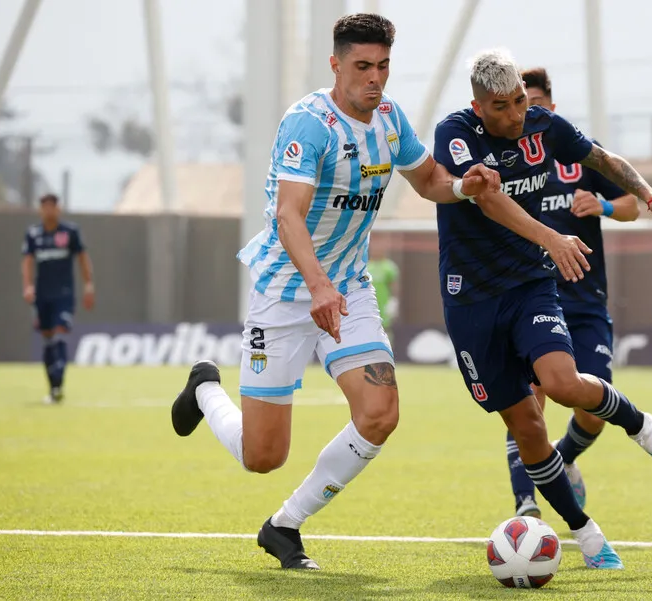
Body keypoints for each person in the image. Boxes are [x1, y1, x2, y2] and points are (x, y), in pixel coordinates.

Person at [169, 14, 523, 571]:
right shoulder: (308, 124)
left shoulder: (389, 119)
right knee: (263, 456)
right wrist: (316, 286)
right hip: (287, 292)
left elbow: (427, 180)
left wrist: (462, 186)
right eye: (362, 66)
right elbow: (289, 214)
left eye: (383, 66)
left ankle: (284, 525)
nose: (374, 78)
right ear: (336, 65)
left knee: (380, 412)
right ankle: (205, 389)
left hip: (348, 291)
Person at [433, 49, 652, 569]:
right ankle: (587, 532)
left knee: (562, 381)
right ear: (478, 105)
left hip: (530, 286)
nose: (515, 115)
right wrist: (553, 237)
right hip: (469, 299)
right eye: (502, 107)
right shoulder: (456, 133)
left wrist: (648, 195)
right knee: (527, 426)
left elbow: (603, 159)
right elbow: (488, 198)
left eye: (519, 102)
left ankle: (644, 427)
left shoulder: (542, 125)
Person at [503, 69, 639, 560]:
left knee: (592, 408)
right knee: (529, 405)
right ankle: (526, 507)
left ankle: (561, 462)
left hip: (585, 302)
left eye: (533, 103)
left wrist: (601, 204)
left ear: (550, 108)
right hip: (531, 300)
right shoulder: (505, 161)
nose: (524, 114)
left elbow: (632, 207)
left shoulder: (579, 152)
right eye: (516, 104)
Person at [21, 194, 95, 404]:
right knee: (47, 340)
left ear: (58, 209)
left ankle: (59, 382)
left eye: (52, 206)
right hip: (42, 296)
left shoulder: (70, 232)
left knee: (60, 334)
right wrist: (27, 286)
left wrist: (89, 284)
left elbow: (82, 258)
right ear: (40, 209)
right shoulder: (33, 234)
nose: (48, 210)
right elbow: (27, 261)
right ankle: (53, 387)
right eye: (44, 206)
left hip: (64, 295)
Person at [367, 242, 400, 340]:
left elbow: (394, 285)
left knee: (385, 327)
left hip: (384, 302)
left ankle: (388, 348)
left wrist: (393, 301)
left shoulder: (389, 267)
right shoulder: (367, 266)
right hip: (370, 302)